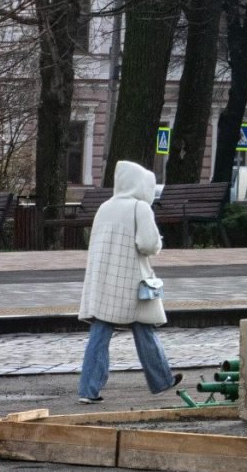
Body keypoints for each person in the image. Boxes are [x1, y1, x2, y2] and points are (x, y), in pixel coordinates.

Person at [76, 160, 177, 404]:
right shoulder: (140, 208)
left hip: (103, 281)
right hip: (131, 282)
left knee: (99, 334)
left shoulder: (105, 207)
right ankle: (161, 379)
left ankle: (89, 390)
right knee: (144, 328)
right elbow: (148, 244)